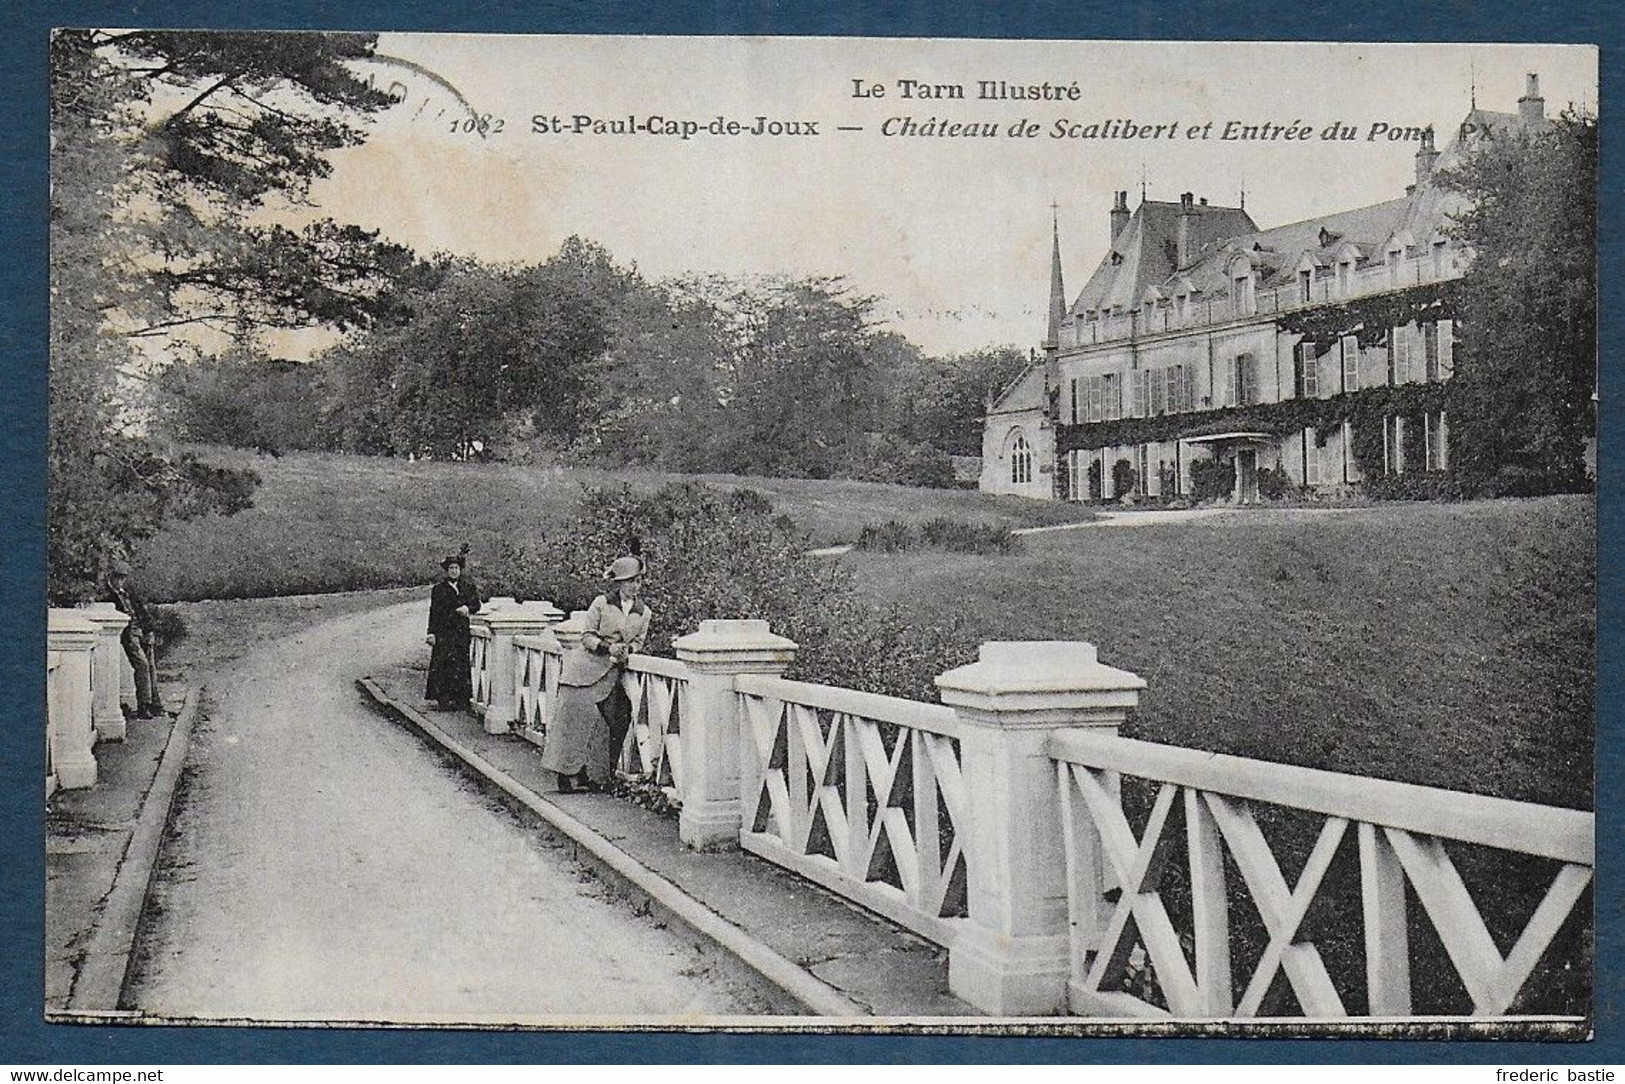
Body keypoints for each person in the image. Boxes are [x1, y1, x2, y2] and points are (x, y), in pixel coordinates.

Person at [540, 552, 652, 793]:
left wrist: (627, 650)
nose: (636, 586)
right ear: (619, 583)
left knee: (616, 718)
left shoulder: (644, 612)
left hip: (612, 674)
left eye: (639, 581)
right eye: (631, 581)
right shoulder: (601, 604)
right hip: (585, 669)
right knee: (574, 717)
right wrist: (606, 646)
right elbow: (586, 636)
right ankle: (566, 774)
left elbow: (639, 642)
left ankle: (597, 776)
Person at [104, 557, 164, 719]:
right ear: (111, 577)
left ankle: (155, 704)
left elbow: (141, 612)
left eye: (123, 577)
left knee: (150, 665)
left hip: (139, 632)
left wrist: (149, 631)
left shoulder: (127, 593)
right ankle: (143, 705)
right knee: (142, 665)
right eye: (117, 577)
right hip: (128, 635)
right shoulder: (108, 596)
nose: (120, 581)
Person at [424, 549, 482, 711]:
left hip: (460, 631)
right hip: (443, 631)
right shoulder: (439, 589)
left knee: (460, 663)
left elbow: (477, 605)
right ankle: (443, 699)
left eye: (456, 568)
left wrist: (467, 608)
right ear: (447, 570)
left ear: (460, 569)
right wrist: (431, 632)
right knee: (442, 663)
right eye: (451, 568)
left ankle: (460, 699)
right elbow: (434, 611)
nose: (454, 571)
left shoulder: (468, 587)